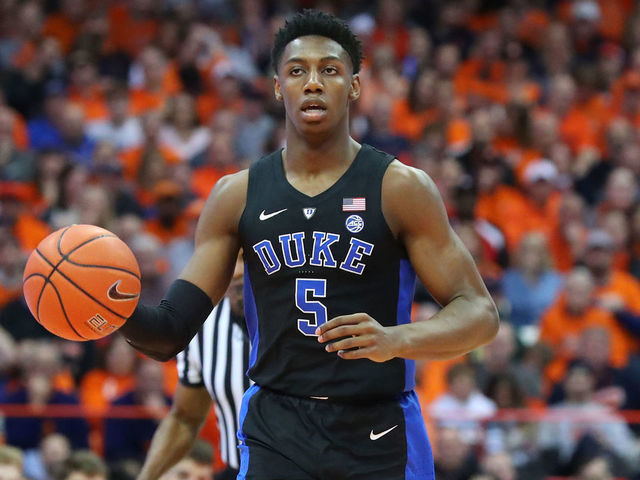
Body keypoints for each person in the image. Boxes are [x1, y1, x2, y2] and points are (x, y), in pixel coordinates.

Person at [120, 10, 499, 479]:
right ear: (279, 87)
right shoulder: (236, 195)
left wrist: (396, 340)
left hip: (377, 426)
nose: (314, 82)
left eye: (331, 70)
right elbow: (169, 332)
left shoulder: (399, 187)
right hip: (276, 428)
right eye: (298, 71)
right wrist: (104, 308)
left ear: (355, 86)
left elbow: (479, 313)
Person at [138, 256, 249, 480]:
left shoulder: (308, 317)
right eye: (230, 259)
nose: (236, 271)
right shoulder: (204, 327)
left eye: (245, 259)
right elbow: (184, 419)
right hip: (239, 471)